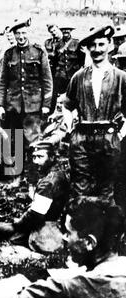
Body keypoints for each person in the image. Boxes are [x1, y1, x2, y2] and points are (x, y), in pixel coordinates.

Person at [64, 25, 126, 205]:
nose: (97, 49)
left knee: (106, 188)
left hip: (109, 139)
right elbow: (67, 106)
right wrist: (70, 128)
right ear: (87, 48)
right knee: (80, 188)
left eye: (101, 44)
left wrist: (121, 133)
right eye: (92, 45)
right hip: (82, 139)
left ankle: (101, 231)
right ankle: (79, 229)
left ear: (110, 45)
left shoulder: (121, 77)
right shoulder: (78, 76)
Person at [18, 197, 126, 298]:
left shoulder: (81, 285)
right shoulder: (120, 266)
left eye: (68, 233)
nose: (64, 238)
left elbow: (26, 296)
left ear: (89, 243)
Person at [0, 17, 53, 178]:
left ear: (28, 32)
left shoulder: (39, 52)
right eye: (17, 34)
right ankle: (16, 175)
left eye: (23, 33)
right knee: (15, 140)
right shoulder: (9, 54)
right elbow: (3, 82)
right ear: (13, 35)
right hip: (13, 106)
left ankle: (34, 176)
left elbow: (47, 81)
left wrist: (46, 105)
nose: (21, 36)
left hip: (33, 106)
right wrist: (0, 105)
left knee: (33, 141)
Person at [0, 141, 69, 248]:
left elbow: (35, 214)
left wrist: (16, 224)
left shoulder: (48, 182)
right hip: (54, 225)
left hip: (44, 230)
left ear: (51, 157)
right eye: (34, 157)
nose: (36, 161)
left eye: (40, 157)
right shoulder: (59, 173)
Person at [53, 22, 84, 107]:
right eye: (63, 30)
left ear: (71, 31)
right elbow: (55, 60)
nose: (66, 31)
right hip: (61, 75)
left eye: (68, 30)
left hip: (73, 74)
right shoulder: (57, 44)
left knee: (74, 96)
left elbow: (82, 58)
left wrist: (77, 69)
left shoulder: (76, 43)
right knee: (61, 97)